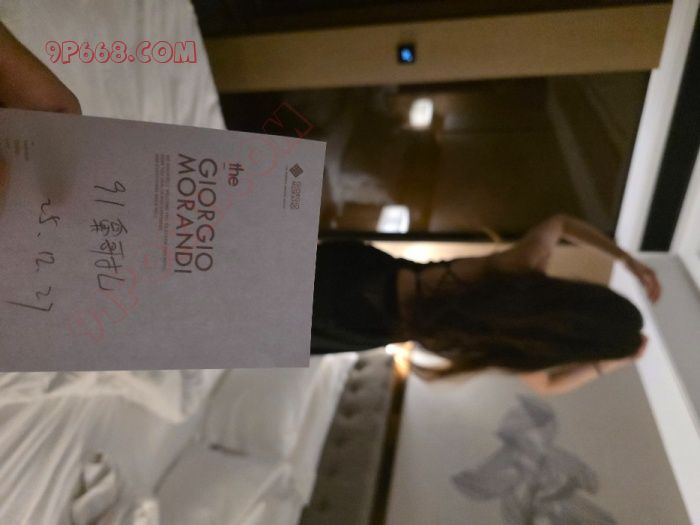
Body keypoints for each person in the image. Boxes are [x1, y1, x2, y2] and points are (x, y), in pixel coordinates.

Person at [311, 214, 660, 395]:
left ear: (588, 296)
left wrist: (626, 260)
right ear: (583, 347)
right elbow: (550, 386)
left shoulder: (519, 271)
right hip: (352, 323)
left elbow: (561, 222)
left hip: (359, 272)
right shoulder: (519, 349)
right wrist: (615, 362)